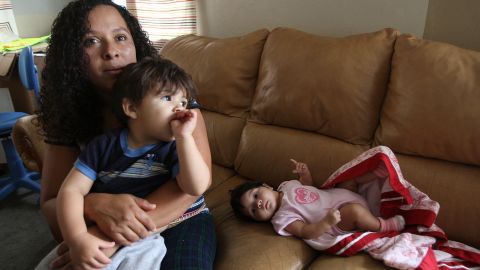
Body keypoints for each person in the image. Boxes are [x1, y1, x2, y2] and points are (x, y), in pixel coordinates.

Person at [36, 0, 216, 269]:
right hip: (101, 225)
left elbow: (192, 188)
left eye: (120, 37)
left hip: (180, 221)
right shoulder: (70, 118)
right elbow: (52, 204)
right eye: (91, 42)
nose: (111, 51)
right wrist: (93, 204)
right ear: (71, 54)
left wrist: (108, 237)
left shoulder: (172, 101)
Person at [54, 57, 210, 269]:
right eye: (167, 98)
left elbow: (196, 186)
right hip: (119, 225)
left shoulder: (176, 147)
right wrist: (78, 238)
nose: (179, 109)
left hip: (176, 222)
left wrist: (184, 138)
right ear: (131, 108)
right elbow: (71, 191)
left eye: (183, 102)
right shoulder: (102, 146)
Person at [230, 159, 405, 242]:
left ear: (266, 186)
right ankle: (383, 226)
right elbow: (306, 231)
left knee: (350, 179)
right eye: (253, 210)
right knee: (355, 212)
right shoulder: (281, 219)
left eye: (255, 196)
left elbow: (308, 187)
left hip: (340, 194)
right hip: (338, 217)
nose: (258, 204)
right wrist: (327, 222)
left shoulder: (286, 185)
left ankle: (377, 175)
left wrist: (305, 174)